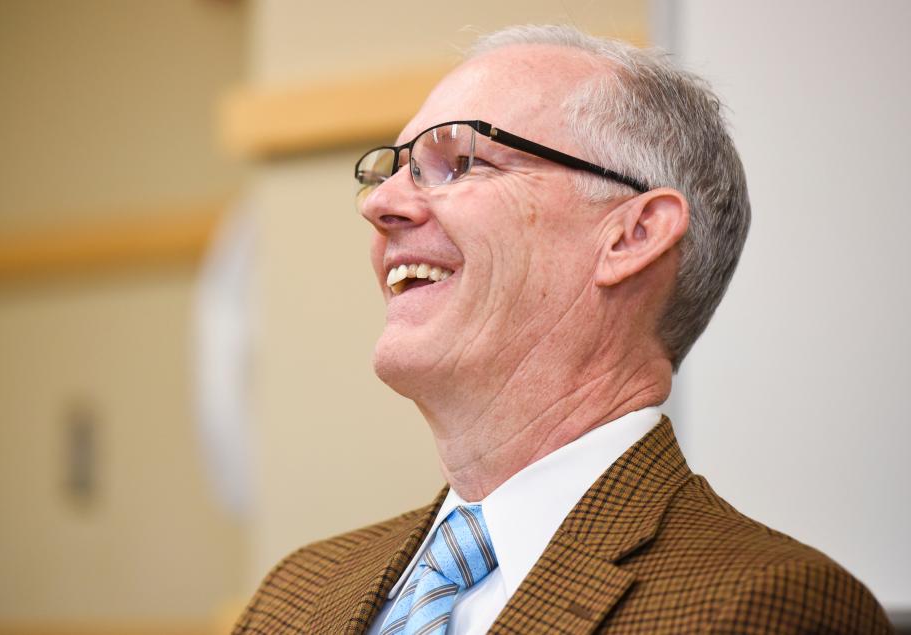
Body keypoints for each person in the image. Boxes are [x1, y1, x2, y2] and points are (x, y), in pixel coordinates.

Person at [233, 25, 893, 634]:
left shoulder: (768, 606)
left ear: (632, 235)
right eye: (392, 168)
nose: (380, 204)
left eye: (457, 161)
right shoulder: (295, 594)